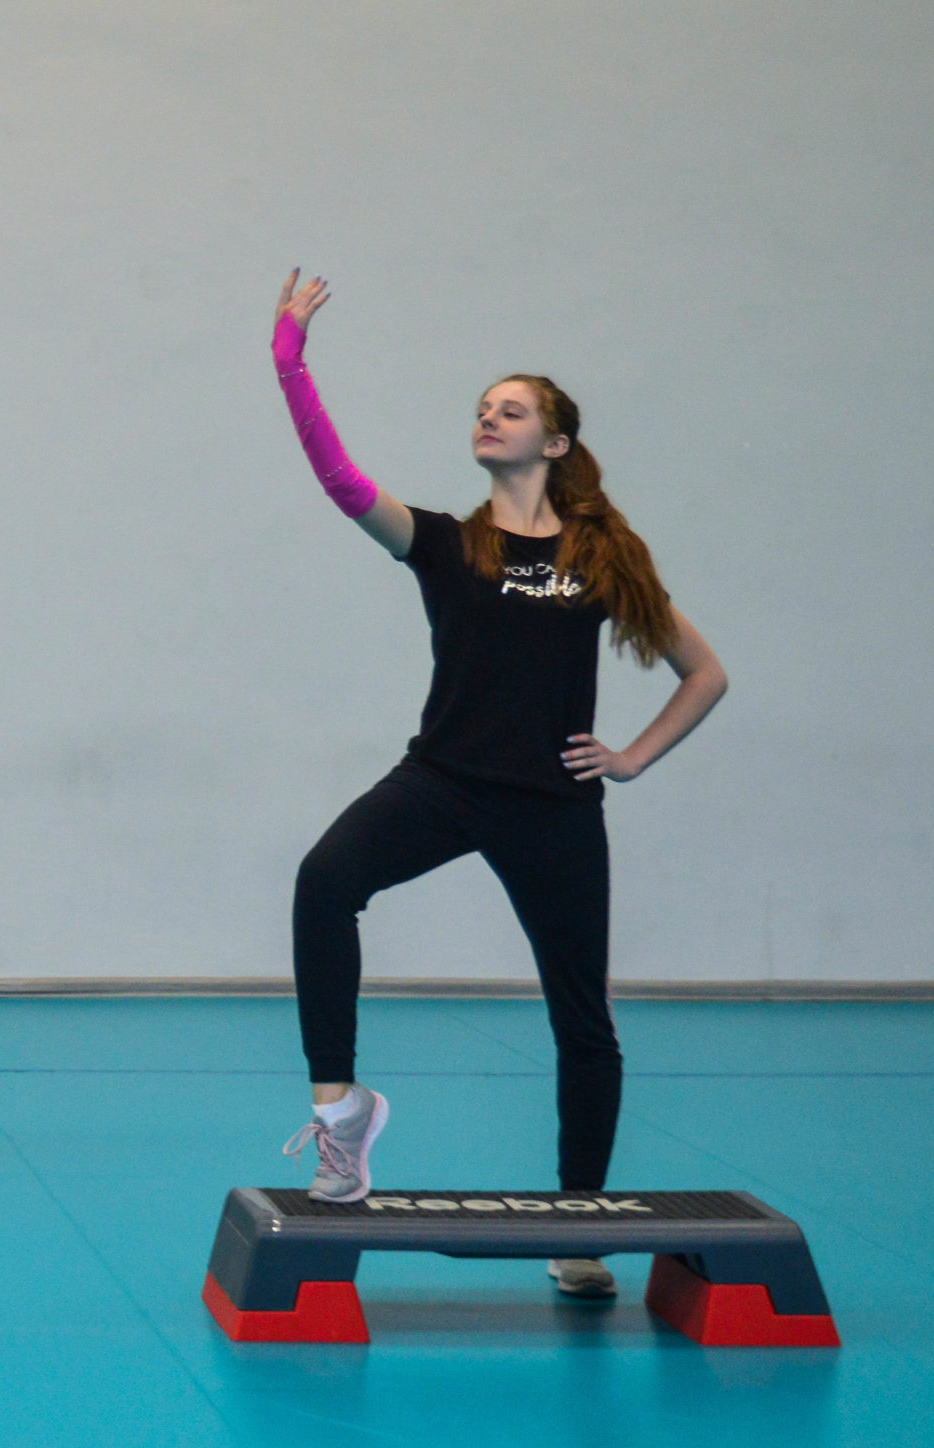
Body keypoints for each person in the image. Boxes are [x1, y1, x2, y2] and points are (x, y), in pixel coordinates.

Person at [266, 271, 729, 1299]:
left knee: (583, 1021)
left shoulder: (603, 558)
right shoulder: (444, 543)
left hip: (552, 806)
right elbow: (340, 480)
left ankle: (579, 1226)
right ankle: (341, 1113)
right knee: (323, 882)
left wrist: (630, 756)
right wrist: (291, 362)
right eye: (483, 407)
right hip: (443, 780)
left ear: (554, 444)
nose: (489, 416)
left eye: (511, 410)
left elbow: (704, 673)